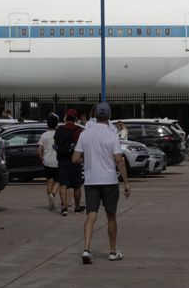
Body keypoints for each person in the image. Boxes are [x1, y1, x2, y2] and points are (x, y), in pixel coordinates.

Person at [73, 102, 131, 264]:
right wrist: (126, 182)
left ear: (95, 116)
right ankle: (113, 251)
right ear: (109, 116)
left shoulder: (85, 134)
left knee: (91, 215)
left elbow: (75, 158)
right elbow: (119, 160)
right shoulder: (112, 134)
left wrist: (88, 158)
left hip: (91, 180)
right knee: (111, 216)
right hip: (109, 180)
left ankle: (86, 249)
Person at [56, 109, 84, 216]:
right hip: (75, 160)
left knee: (63, 184)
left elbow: (55, 142)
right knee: (76, 185)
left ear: (66, 117)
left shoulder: (59, 129)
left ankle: (64, 208)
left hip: (62, 160)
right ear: (76, 118)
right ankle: (77, 207)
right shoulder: (78, 130)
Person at [37, 114, 60, 210]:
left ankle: (50, 201)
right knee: (58, 181)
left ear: (47, 124)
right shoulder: (58, 134)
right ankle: (53, 194)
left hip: (47, 161)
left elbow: (39, 151)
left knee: (49, 181)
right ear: (56, 124)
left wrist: (43, 160)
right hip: (57, 160)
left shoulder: (44, 135)